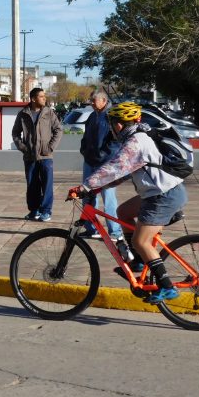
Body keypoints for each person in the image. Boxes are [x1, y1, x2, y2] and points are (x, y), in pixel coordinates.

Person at [80, 101, 187, 304]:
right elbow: (125, 172)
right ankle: (138, 262)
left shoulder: (135, 142)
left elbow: (115, 167)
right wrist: (98, 187)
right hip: (158, 193)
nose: (111, 128)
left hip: (164, 196)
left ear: (119, 124)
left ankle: (167, 287)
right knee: (123, 212)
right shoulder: (137, 138)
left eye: (113, 124)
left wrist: (85, 186)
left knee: (141, 241)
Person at [12, 87, 63, 222]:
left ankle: (46, 211)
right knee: (32, 184)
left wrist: (50, 147)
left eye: (44, 96)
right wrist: (23, 147)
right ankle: (34, 210)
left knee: (47, 185)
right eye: (41, 96)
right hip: (29, 156)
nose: (44, 98)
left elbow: (58, 130)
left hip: (45, 156)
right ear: (33, 99)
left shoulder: (49, 113)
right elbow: (15, 133)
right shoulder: (23, 114)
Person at [78, 91, 122, 240]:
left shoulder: (111, 117)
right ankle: (91, 228)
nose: (91, 103)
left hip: (105, 164)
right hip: (89, 162)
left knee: (108, 198)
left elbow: (116, 141)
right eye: (90, 100)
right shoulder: (91, 116)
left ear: (104, 100)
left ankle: (115, 232)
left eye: (94, 100)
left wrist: (103, 155)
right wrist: (84, 150)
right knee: (87, 197)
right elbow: (85, 137)